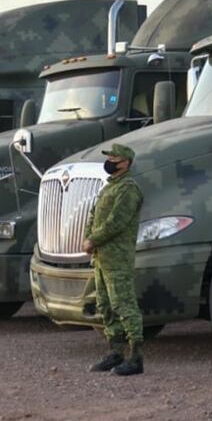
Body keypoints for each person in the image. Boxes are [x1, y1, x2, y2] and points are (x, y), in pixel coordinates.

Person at [82, 143, 145, 376]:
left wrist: (93, 239)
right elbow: (93, 214)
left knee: (124, 305)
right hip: (102, 257)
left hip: (117, 257)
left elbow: (116, 222)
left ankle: (136, 357)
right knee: (106, 305)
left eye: (114, 158)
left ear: (125, 162)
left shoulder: (128, 189)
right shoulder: (109, 187)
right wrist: (89, 237)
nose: (109, 161)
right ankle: (115, 353)